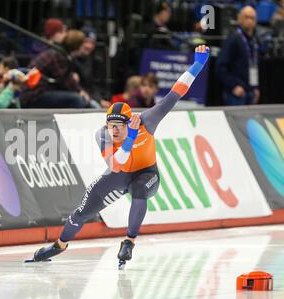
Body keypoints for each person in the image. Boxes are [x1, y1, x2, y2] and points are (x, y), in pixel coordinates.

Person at [27, 45, 210, 267]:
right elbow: (115, 165)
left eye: (118, 127)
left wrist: (198, 65)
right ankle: (59, 245)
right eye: (110, 125)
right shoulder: (102, 135)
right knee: (81, 213)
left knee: (139, 190)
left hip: (146, 173)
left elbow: (175, 93)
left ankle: (129, 242)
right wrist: (130, 139)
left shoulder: (147, 120)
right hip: (119, 173)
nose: (113, 131)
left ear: (129, 121)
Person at [20, 30, 90, 108]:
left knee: (87, 102)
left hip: (42, 91)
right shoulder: (58, 55)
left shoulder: (60, 53)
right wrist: (80, 91)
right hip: (34, 96)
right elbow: (65, 80)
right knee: (77, 99)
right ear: (77, 45)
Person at [215, 6, 260, 106]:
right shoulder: (233, 39)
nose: (249, 20)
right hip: (236, 93)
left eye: (252, 18)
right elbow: (220, 67)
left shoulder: (254, 40)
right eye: (246, 17)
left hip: (251, 92)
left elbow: (254, 65)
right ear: (239, 19)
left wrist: (255, 87)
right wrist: (234, 85)